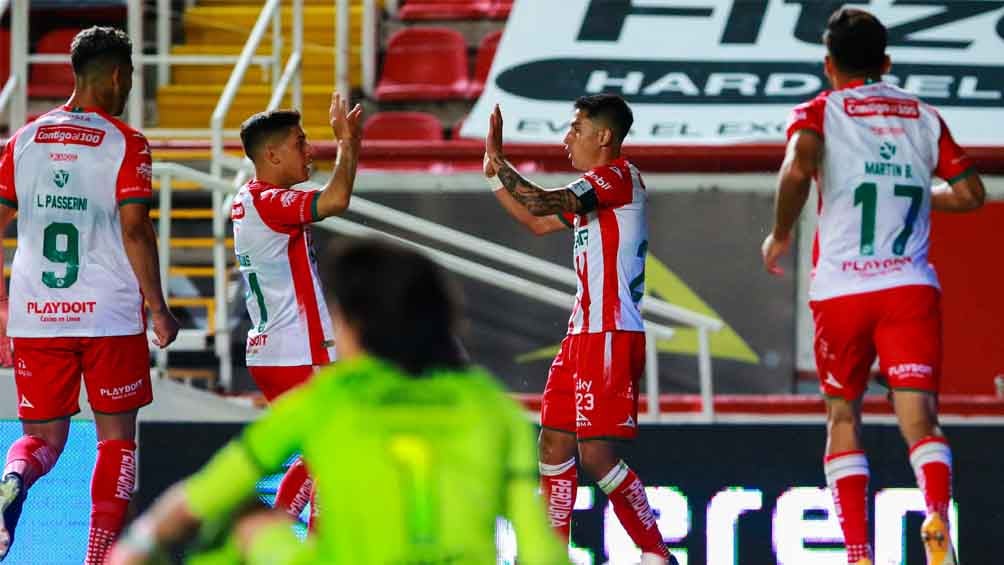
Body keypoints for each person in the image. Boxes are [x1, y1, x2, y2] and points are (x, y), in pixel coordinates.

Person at [106, 238, 568, 565]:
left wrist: (137, 547)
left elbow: (199, 499)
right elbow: (538, 544)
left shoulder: (327, 400)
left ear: (355, 323)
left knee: (246, 524)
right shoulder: (490, 407)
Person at [761, 8, 984, 565]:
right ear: (886, 63)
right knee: (920, 419)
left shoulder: (820, 109)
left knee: (843, 416)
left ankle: (858, 554)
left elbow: (795, 169)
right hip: (908, 286)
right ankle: (935, 513)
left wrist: (780, 234)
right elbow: (973, 194)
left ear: (828, 64)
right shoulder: (923, 116)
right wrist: (915, 191)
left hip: (841, 290)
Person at [0, 26, 180, 564]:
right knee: (116, 441)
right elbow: (135, 230)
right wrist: (159, 307)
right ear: (119, 76)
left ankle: (13, 476)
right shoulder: (126, 142)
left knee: (44, 443)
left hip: (35, 312)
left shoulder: (24, 140)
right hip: (108, 315)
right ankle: (99, 555)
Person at [484, 96, 675, 565]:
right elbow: (536, 220)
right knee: (553, 442)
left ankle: (656, 554)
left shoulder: (616, 177)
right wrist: (493, 172)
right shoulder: (598, 190)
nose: (566, 138)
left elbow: (543, 199)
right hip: (582, 334)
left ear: (604, 136)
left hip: (610, 333)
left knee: (595, 456)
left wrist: (503, 162)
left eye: (575, 128)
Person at [231, 94, 362, 527]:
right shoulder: (270, 202)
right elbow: (336, 199)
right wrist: (348, 144)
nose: (310, 150)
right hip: (299, 350)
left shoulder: (248, 199)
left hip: (273, 351)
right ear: (271, 155)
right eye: (300, 142)